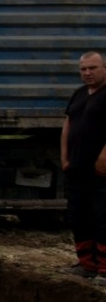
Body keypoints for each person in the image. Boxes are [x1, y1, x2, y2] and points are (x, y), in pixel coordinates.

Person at [63, 51, 106, 280]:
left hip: (101, 172)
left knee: (102, 217)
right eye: (83, 69)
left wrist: (104, 156)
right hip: (78, 170)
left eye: (93, 68)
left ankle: (104, 269)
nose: (88, 73)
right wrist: (64, 157)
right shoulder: (79, 94)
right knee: (79, 217)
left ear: (104, 68)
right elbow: (68, 123)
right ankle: (86, 264)